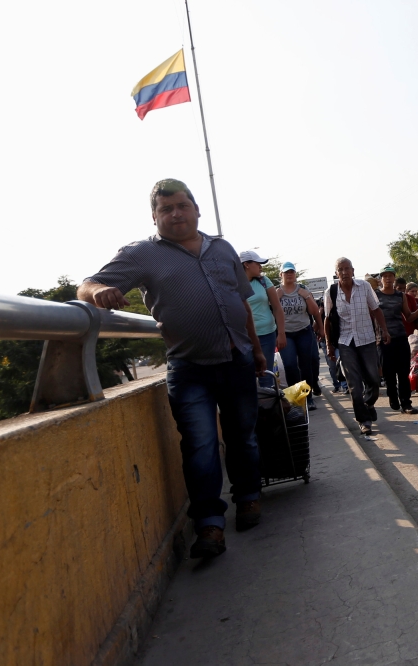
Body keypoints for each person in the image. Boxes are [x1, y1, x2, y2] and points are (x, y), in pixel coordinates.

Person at [77, 178, 266, 559]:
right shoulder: (140, 255)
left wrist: (257, 351)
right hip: (188, 367)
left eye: (182, 206)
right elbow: (87, 285)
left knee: (243, 435)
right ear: (154, 217)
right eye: (166, 209)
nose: (176, 214)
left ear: (197, 209)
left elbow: (241, 304)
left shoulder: (223, 248)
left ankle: (248, 497)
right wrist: (97, 293)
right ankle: (210, 525)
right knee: (200, 446)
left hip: (237, 358)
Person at [325, 257, 391, 435]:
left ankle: (368, 403)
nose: (345, 272)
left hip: (367, 339)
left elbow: (376, 309)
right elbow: (327, 320)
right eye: (341, 269)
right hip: (345, 342)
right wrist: (330, 345)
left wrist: (384, 330)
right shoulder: (331, 292)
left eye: (347, 269)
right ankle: (364, 420)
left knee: (374, 380)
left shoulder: (364, 287)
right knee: (354, 384)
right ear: (336, 273)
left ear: (353, 271)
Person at [277, 261, 323, 411]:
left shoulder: (303, 289)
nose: (289, 274)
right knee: (290, 365)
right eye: (286, 272)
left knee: (306, 365)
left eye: (292, 272)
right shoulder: (276, 292)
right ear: (281, 275)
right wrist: (275, 299)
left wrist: (307, 297)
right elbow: (270, 314)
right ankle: (297, 399)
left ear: (295, 274)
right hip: (286, 334)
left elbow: (314, 311)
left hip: (304, 331)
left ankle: (307, 398)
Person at [377, 266, 418, 414]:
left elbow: (408, 317)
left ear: (394, 278)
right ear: (381, 279)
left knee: (403, 372)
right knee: (389, 373)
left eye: (390, 276)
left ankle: (406, 403)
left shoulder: (400, 296)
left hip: (400, 337)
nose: (388, 278)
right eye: (385, 276)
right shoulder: (375, 296)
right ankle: (393, 396)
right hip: (384, 340)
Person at [240, 251, 287, 388]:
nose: (261, 266)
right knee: (246, 377)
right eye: (257, 263)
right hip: (244, 338)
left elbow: (277, 308)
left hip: (267, 335)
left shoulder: (264, 281)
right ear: (246, 265)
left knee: (265, 375)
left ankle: (267, 407)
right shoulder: (233, 284)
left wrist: (282, 333)